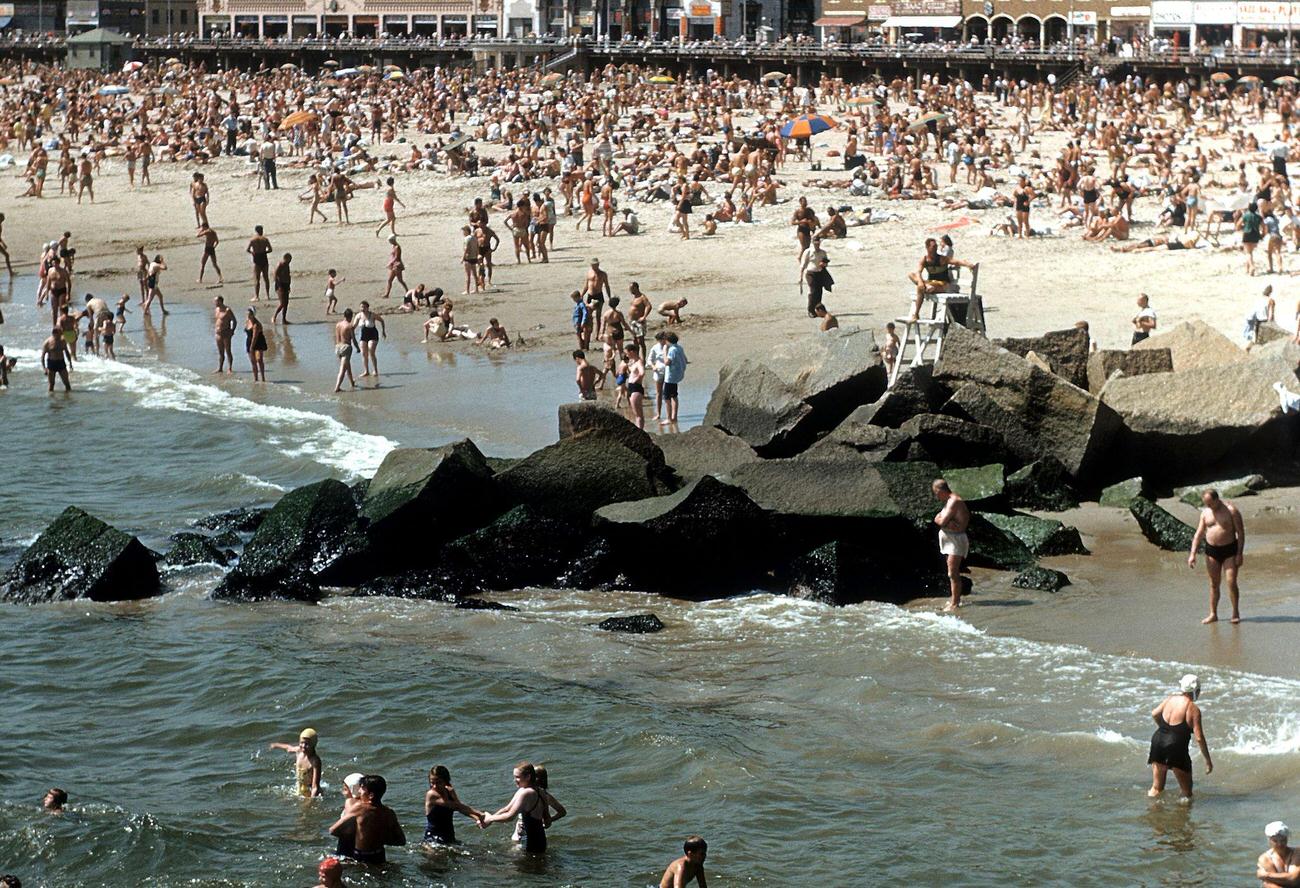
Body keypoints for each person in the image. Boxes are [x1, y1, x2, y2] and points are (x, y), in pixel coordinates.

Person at [1147, 674, 1212, 800]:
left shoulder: (1170, 699)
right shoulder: (1193, 709)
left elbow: (1154, 713)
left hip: (1158, 740)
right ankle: (1181, 818)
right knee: (1186, 793)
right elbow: (1199, 737)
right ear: (1196, 691)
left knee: (1156, 788)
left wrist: (1165, 729)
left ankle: (1152, 815)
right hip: (1176, 747)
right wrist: (1208, 761)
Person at [1189, 488, 1245, 624]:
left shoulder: (1231, 511)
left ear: (1217, 499)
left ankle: (1235, 612)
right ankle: (1213, 614)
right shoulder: (1205, 513)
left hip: (1230, 551)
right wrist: (1193, 554)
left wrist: (1239, 554)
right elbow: (1199, 534)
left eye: (1210, 503)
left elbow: (1241, 533)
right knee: (1214, 584)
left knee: (1231, 582)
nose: (1208, 506)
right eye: (1206, 504)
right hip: (1212, 551)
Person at [329, 775, 405, 865]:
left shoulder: (360, 808)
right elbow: (401, 841)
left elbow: (333, 830)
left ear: (371, 795)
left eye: (362, 789)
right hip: (380, 855)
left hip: (362, 857)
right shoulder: (389, 813)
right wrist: (378, 839)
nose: (359, 791)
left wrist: (355, 836)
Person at [480, 761, 549, 854]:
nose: (514, 780)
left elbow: (510, 816)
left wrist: (490, 819)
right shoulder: (540, 792)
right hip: (541, 841)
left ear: (528, 777)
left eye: (517, 777)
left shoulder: (527, 793)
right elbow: (507, 809)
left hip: (530, 844)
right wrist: (487, 820)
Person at [932, 479, 969, 612]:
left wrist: (939, 519)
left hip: (956, 540)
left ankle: (954, 604)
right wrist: (941, 520)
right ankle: (954, 599)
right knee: (952, 571)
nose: (936, 497)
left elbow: (941, 520)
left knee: (952, 572)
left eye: (935, 493)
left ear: (941, 491)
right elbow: (942, 520)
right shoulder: (949, 500)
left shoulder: (954, 501)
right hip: (950, 538)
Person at [423, 765, 484, 845]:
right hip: (433, 839)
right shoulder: (431, 794)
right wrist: (479, 814)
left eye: (438, 782)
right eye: (432, 783)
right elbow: (456, 806)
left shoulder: (449, 793)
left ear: (446, 781)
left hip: (449, 837)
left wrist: (476, 819)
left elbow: (460, 809)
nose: (435, 786)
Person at [269, 728, 322, 798]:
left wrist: (311, 800)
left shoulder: (315, 761)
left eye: (307, 744)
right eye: (301, 743)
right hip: (300, 788)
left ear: (313, 744)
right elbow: (288, 748)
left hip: (310, 791)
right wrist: (276, 745)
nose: (303, 746)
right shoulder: (299, 751)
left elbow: (315, 786)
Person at [1257, 821, 1300, 886]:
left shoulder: (1297, 853)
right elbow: (1273, 884)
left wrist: (1266, 875)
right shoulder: (1265, 858)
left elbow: (1293, 879)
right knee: (1267, 884)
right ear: (1269, 840)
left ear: (1287, 838)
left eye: (1283, 840)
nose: (1279, 844)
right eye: (1275, 841)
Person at [661, 332, 686, 427]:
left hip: (670, 377)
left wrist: (664, 352)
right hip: (677, 375)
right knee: (674, 396)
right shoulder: (679, 348)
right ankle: (674, 417)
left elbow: (667, 362)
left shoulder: (672, 349)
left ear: (668, 341)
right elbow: (685, 359)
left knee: (667, 398)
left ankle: (669, 418)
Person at [334, 309, 359, 393]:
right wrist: (358, 348)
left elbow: (336, 336)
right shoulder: (349, 326)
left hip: (338, 347)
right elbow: (354, 339)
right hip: (346, 347)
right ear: (351, 317)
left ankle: (352, 382)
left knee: (347, 365)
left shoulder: (338, 324)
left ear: (344, 315)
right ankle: (337, 387)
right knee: (343, 369)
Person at [40, 326, 72, 393]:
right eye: (60, 333)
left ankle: (68, 400)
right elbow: (43, 356)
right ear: (55, 333)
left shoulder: (63, 341)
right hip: (52, 364)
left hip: (61, 363)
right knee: (51, 385)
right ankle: (52, 401)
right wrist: (44, 368)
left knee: (67, 384)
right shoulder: (47, 342)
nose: (62, 334)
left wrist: (70, 363)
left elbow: (66, 352)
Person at [247, 226, 273, 303]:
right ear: (261, 230)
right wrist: (265, 252)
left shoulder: (252, 240)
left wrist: (253, 253)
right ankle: (267, 295)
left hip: (257, 258)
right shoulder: (265, 239)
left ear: (256, 231)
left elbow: (248, 250)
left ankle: (257, 296)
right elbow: (270, 249)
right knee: (266, 278)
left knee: (257, 278)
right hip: (264, 258)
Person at [625, 343, 647, 429]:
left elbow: (642, 372)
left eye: (627, 353)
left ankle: (640, 430)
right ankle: (639, 429)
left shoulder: (639, 362)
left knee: (638, 413)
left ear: (632, 352)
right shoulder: (632, 362)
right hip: (631, 387)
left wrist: (636, 380)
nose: (626, 355)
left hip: (636, 387)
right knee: (634, 412)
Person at [1240, 201, 1263, 276]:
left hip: (1247, 233)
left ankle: (1252, 267)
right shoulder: (1259, 217)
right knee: (1250, 252)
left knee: (1248, 252)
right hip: (1255, 234)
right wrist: (1263, 235)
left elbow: (1238, 224)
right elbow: (1264, 227)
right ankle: (1248, 269)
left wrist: (1240, 229)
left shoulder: (1245, 215)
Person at [214, 296, 236, 374]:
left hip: (226, 332)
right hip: (218, 333)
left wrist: (232, 330)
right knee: (220, 352)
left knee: (228, 351)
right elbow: (217, 320)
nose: (215, 303)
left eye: (216, 301)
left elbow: (234, 320)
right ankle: (220, 368)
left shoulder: (227, 310)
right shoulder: (216, 310)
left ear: (220, 301)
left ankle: (230, 368)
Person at [245, 308, 267, 382]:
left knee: (259, 360)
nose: (248, 315)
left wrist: (252, 347)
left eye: (249, 314)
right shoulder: (247, 321)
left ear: (253, 314)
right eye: (247, 314)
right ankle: (256, 379)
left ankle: (263, 378)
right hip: (249, 341)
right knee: (253, 361)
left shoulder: (256, 324)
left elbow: (255, 337)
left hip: (258, 342)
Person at [272, 253, 292, 325]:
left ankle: (284, 319)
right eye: (289, 259)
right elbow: (275, 275)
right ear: (286, 258)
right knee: (282, 303)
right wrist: (279, 285)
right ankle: (274, 316)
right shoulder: (280, 264)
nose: (290, 261)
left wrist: (289, 285)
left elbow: (288, 275)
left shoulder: (287, 265)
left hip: (286, 285)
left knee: (286, 303)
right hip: (280, 285)